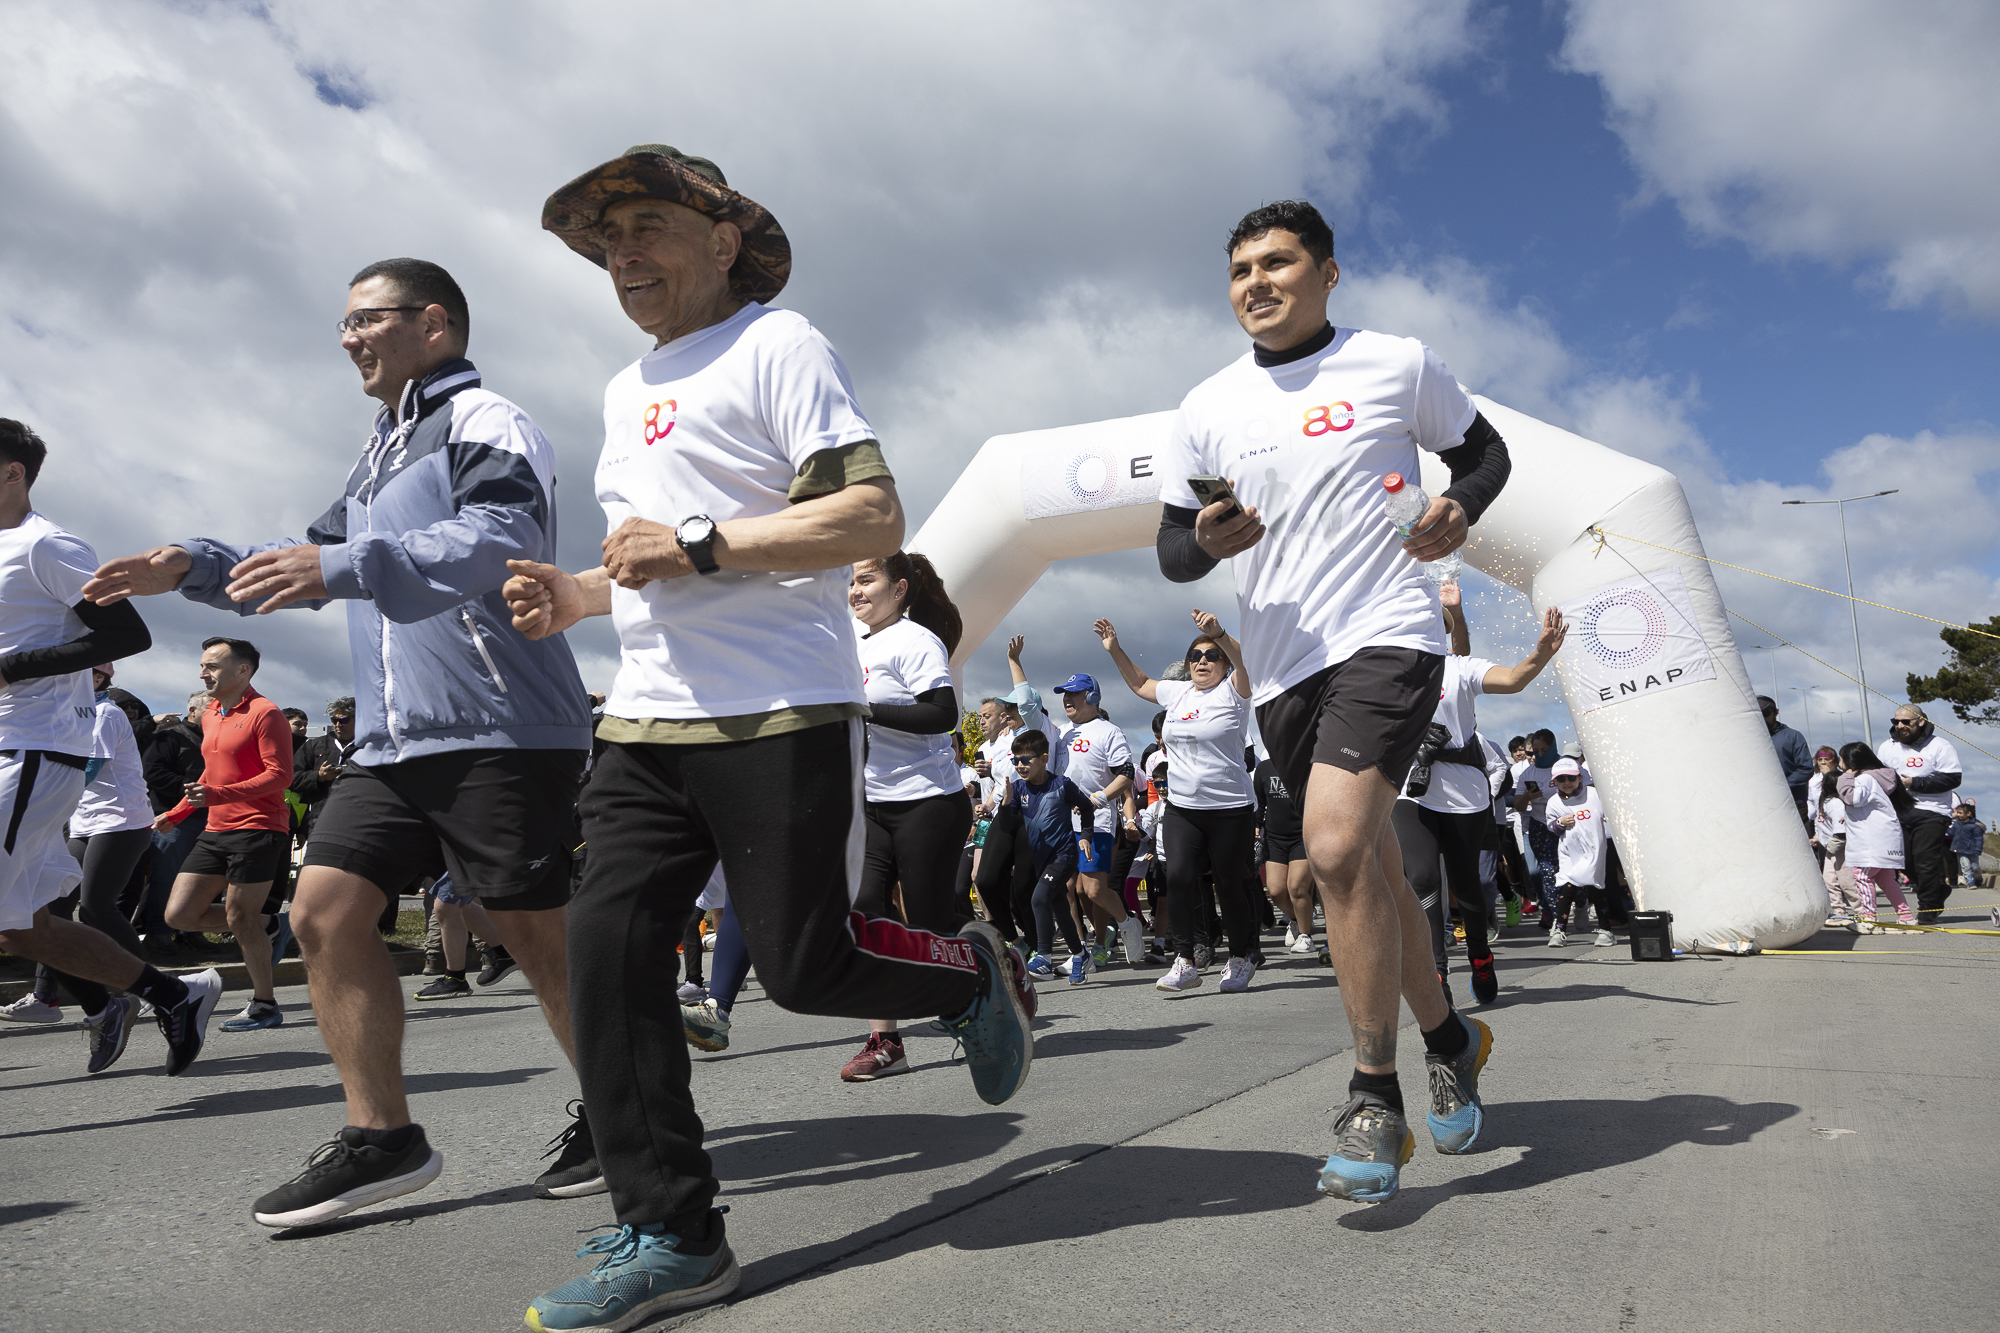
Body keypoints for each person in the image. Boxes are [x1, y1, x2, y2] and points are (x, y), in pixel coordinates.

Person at [504, 143, 1032, 1328]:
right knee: (607, 960)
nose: (623, 255)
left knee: (802, 968)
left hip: (781, 711)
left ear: (723, 239)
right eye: (608, 241)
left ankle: (963, 974)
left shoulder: (779, 346)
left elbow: (868, 513)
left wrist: (693, 540)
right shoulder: (620, 387)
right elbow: (646, 564)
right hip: (645, 718)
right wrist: (580, 594)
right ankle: (675, 1233)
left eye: (645, 226)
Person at [83, 257, 599, 1226]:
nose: (350, 338)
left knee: (537, 936)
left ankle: (627, 1112)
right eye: (344, 324)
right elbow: (301, 563)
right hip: (395, 743)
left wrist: (348, 561)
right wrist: (191, 564)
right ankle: (383, 1139)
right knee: (321, 912)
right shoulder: (375, 452)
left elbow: (499, 534)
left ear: (434, 323)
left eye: (366, 319)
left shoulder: (484, 420)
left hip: (501, 728)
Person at [1154, 199, 1509, 1201]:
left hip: (1388, 631)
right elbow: (1173, 544)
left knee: (1337, 846)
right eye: (1238, 271)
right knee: (1372, 876)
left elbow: (1483, 456)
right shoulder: (1204, 405)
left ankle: (1372, 1097)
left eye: (1276, 262)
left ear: (1327, 273)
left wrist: (1457, 507)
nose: (1254, 284)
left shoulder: (1394, 365)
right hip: (1282, 666)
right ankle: (1448, 1034)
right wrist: (1206, 543)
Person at [0, 417, 224, 1070]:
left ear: (12, 473)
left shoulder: (47, 546)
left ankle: (147, 996)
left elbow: (126, 633)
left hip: (34, 749)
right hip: (13, 749)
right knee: (23, 923)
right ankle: (167, 995)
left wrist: (14, 668)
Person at [841, 550, 976, 1081]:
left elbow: (944, 714)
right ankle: (885, 1040)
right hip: (870, 802)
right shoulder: (848, 641)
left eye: (867, 579)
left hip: (928, 799)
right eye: (851, 581)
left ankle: (995, 977)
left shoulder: (917, 641)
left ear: (899, 589)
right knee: (866, 914)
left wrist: (864, 709)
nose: (856, 590)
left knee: (930, 922)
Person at [1395, 589, 1567, 1002]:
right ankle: (1436, 974)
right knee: (1420, 880)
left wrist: (1540, 654)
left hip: (1463, 793)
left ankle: (1480, 957)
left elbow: (1512, 678)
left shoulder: (1459, 668)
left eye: (1430, 621)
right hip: (1410, 790)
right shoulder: (1388, 672)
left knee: (1467, 885)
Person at [1096, 609, 1259, 992]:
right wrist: (1114, 649)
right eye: (1196, 657)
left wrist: (1218, 633)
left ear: (1223, 662)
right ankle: (1184, 960)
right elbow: (1139, 683)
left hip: (1230, 807)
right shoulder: (1179, 692)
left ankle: (1240, 957)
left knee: (1229, 884)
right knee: (1179, 879)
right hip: (1183, 807)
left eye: (1211, 655)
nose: (1203, 661)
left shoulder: (1234, 691)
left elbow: (1247, 663)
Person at [155, 637, 294, 1032]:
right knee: (179, 914)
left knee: (239, 916)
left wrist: (216, 794)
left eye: (212, 666)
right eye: (202, 666)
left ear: (242, 671)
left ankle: (264, 1004)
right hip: (216, 828)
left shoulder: (266, 713)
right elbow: (210, 772)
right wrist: (179, 812)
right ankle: (271, 925)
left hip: (258, 827)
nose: (203, 673)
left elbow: (279, 775)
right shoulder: (212, 713)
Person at [6, 664, 157, 1025]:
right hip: (84, 822)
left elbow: (87, 769)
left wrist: (42, 806)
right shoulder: (64, 713)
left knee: (96, 906)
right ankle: (45, 998)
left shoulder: (104, 713)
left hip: (121, 820)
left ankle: (152, 988)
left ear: (100, 679)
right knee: (52, 904)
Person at [1046, 670, 1145, 980]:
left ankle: (1128, 924)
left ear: (1092, 697)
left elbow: (1126, 774)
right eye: (1064, 693)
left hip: (1097, 821)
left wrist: (1098, 799)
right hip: (1063, 824)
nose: (1067, 699)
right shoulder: (1062, 733)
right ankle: (1082, 953)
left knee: (1093, 889)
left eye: (1074, 693)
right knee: (1066, 888)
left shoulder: (1108, 731)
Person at [1879, 705, 1963, 920]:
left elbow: (1953, 778)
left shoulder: (1940, 746)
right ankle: (1937, 890)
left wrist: (1914, 782)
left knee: (1925, 860)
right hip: (1899, 811)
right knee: (1902, 860)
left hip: (1932, 811)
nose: (1900, 726)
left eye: (1906, 722)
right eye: (1896, 722)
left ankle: (1927, 908)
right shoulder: (1887, 747)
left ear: (1921, 722)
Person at [1835, 742, 1916, 931]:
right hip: (1883, 836)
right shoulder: (1876, 778)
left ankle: (1869, 921)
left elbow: (1852, 798)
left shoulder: (1865, 779)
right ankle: (1906, 917)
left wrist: (1846, 776)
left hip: (1872, 840)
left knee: (1862, 876)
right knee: (1887, 878)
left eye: (1842, 758)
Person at [1542, 758, 1615, 948]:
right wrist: (1560, 823)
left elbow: (1610, 814)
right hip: (1570, 854)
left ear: (1580, 778)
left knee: (1596, 890)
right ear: (1554, 782)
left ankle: (1606, 930)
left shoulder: (1594, 795)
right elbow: (1551, 826)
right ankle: (1559, 931)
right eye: (1561, 779)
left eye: (1571, 778)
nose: (1567, 783)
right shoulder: (1553, 802)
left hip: (1594, 852)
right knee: (1566, 891)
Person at [291, 696, 356, 845]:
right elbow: (291, 778)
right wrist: (318, 777)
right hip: (321, 822)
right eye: (334, 721)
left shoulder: (369, 747)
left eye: (344, 720)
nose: (338, 725)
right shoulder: (315, 745)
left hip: (357, 822)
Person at [1807, 748, 1861, 926]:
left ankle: (1863, 912)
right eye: (1820, 759)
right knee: (1829, 880)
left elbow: (1840, 830)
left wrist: (1832, 847)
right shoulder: (1825, 801)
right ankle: (1838, 912)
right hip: (1830, 846)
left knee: (1847, 882)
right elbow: (1823, 823)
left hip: (1840, 847)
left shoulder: (1836, 804)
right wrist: (1817, 836)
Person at [1759, 696, 1813, 825]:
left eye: (1766, 714)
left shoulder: (1793, 736)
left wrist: (1780, 787)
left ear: (1776, 712)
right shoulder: (1748, 738)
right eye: (1758, 715)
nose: (1763, 719)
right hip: (1760, 802)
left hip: (1791, 801)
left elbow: (1805, 769)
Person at [1950, 805, 1985, 890]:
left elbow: (1979, 839)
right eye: (1957, 812)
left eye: (1960, 813)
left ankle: (1978, 878)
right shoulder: (1957, 824)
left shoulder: (1975, 825)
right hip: (1961, 850)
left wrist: (1978, 849)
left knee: (1975, 867)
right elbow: (1952, 833)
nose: (1958, 815)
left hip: (1972, 850)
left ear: (1968, 813)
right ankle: (1970, 882)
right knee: (1965, 866)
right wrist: (1945, 826)